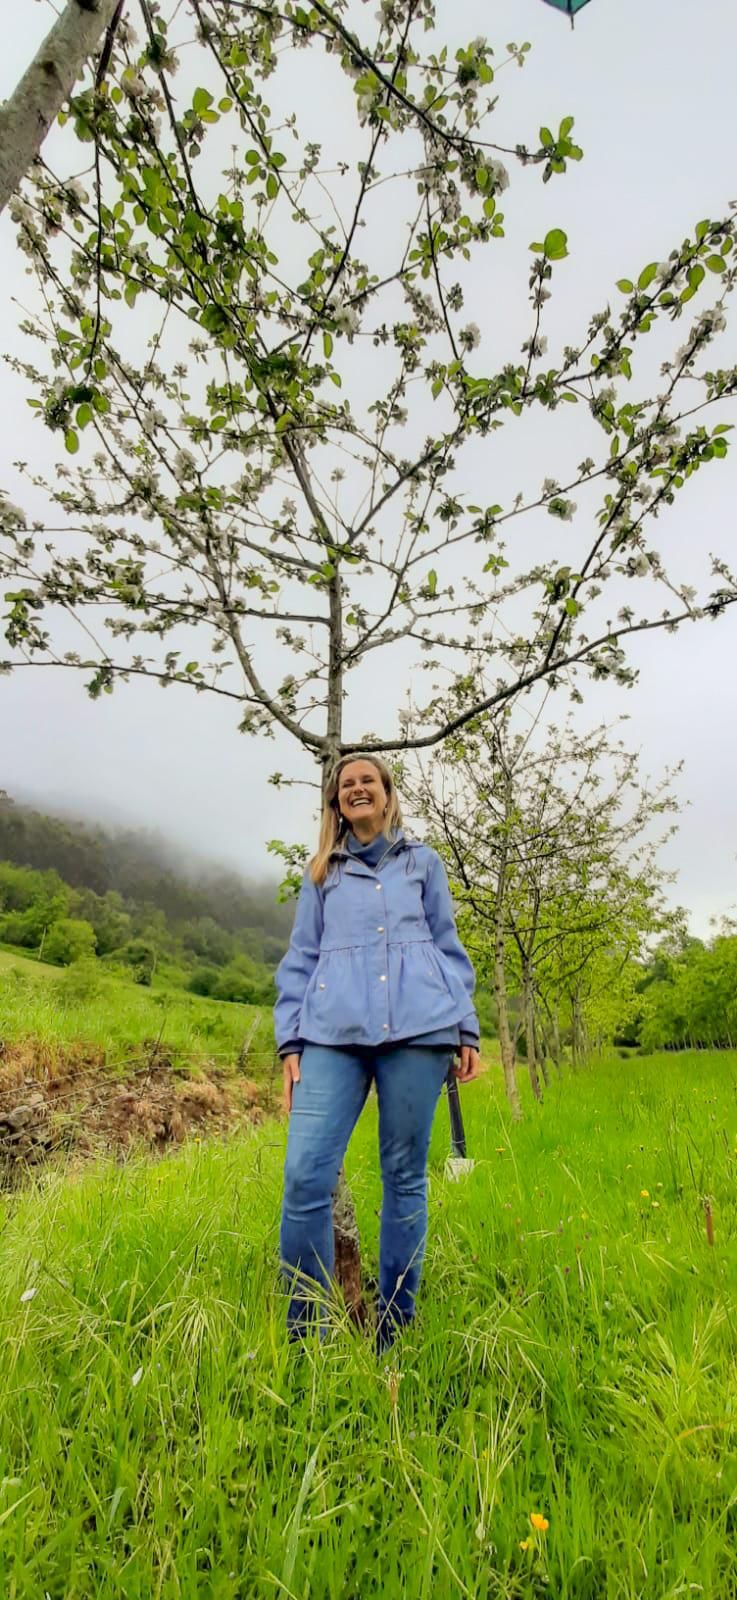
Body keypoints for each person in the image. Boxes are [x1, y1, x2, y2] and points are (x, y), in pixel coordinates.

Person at [275, 751, 481, 1350]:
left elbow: (447, 947)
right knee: (304, 1175)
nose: (358, 789)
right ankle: (306, 1335)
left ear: (387, 795)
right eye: (347, 785)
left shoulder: (424, 864)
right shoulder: (322, 873)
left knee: (404, 1176)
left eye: (368, 781)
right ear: (337, 803)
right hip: (330, 1038)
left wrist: (465, 1027)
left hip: (420, 1034)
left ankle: (395, 1328)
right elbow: (300, 959)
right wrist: (290, 1038)